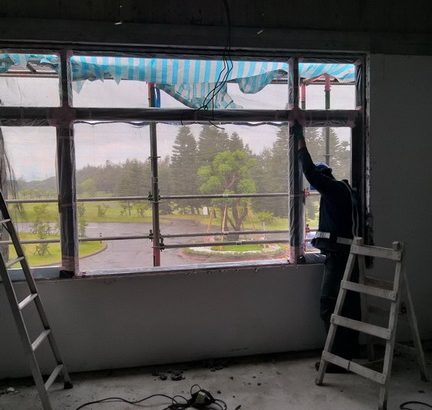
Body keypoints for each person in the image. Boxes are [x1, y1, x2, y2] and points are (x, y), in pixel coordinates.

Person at [293, 121, 361, 369]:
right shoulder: (343, 191)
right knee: (348, 306)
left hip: (339, 257)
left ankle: (335, 361)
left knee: (329, 305)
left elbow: (310, 171)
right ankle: (347, 355)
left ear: (324, 178)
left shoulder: (332, 189)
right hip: (347, 254)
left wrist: (300, 138)